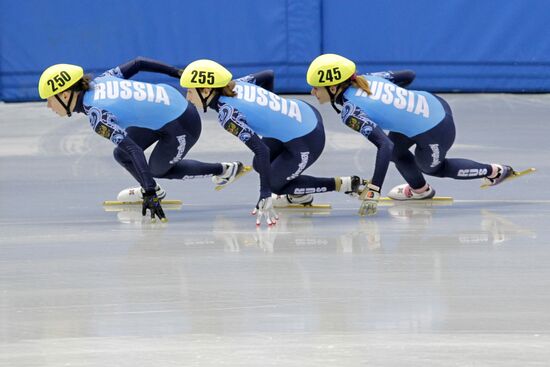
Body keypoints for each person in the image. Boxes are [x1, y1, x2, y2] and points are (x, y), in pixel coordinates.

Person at [38, 57, 247, 222]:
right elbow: (139, 62)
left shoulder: (96, 114)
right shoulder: (103, 78)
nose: (49, 106)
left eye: (49, 99)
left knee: (156, 170)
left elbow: (135, 151)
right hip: (164, 110)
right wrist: (176, 73)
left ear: (65, 95)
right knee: (120, 153)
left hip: (183, 123)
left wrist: (148, 192)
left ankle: (225, 170)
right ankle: (154, 188)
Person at [306, 54, 515, 211]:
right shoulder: (368, 78)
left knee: (433, 168)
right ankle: (420, 191)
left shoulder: (351, 111)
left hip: (436, 128)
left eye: (316, 87)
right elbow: (408, 75)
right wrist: (400, 101)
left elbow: (383, 145)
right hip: (433, 104)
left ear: (333, 88)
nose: (312, 92)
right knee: (397, 152)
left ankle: (495, 171)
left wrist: (374, 189)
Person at [179, 59, 364, 225]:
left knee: (275, 184)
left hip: (308, 137)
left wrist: (265, 194)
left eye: (189, 91)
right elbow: (268, 75)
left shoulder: (227, 115)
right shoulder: (239, 84)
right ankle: (297, 197)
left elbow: (262, 150)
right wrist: (269, 110)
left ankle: (346, 184)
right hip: (303, 111)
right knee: (259, 165)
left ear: (205, 90)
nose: (188, 97)